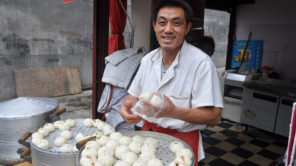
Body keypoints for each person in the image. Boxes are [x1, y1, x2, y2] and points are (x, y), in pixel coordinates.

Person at [120, 0, 223, 164]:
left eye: (176, 23)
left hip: (182, 142)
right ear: (154, 26)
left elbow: (214, 116)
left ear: (187, 28)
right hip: (147, 137)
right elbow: (132, 97)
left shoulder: (201, 63)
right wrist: (126, 107)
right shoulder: (148, 60)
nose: (168, 29)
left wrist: (173, 111)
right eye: (162, 23)